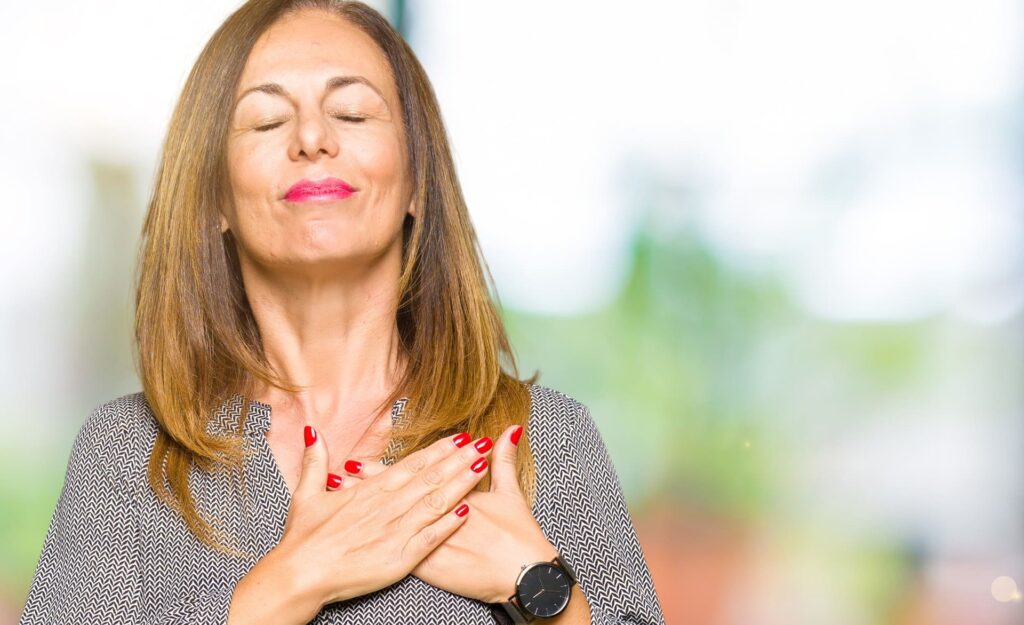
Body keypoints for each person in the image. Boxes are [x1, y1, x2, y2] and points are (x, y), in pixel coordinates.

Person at [18, 1, 666, 624]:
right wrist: (292, 581)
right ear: (215, 194)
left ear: (416, 180)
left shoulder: (543, 439)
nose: (310, 137)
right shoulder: (128, 453)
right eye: (268, 121)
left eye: (353, 113)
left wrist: (538, 586)